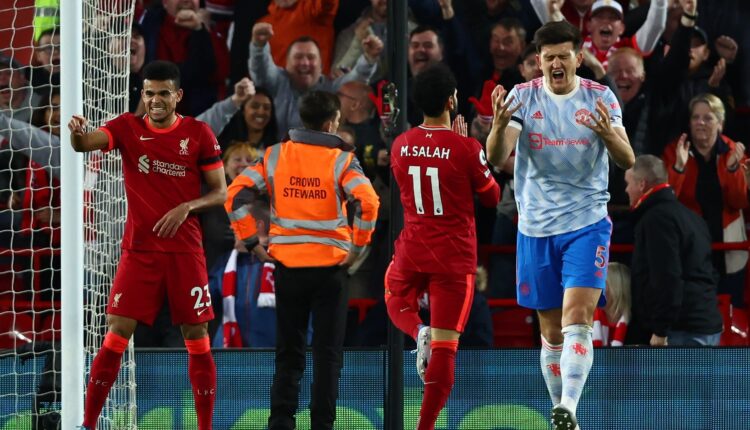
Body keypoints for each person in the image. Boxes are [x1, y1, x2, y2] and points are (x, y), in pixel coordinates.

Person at [486, 20, 634, 430]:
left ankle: (569, 404)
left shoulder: (600, 97)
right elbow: (497, 157)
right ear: (538, 61)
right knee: (551, 332)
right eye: (548, 57)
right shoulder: (522, 97)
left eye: (563, 56)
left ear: (577, 58)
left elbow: (627, 159)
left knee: (577, 317)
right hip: (536, 227)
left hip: (587, 223)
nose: (556, 63)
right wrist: (497, 127)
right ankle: (561, 413)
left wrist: (608, 135)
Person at [68, 60, 227, 430]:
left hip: (185, 250)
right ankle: (88, 425)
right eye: (150, 93)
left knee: (197, 336)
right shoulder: (127, 127)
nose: (156, 100)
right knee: (116, 333)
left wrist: (187, 207)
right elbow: (85, 145)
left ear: (178, 95)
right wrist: (78, 135)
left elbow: (220, 192)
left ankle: (205, 427)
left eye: (164, 94)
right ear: (143, 94)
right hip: (139, 251)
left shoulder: (199, 134)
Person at [224, 90, 379, 430]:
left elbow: (235, 195)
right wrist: (357, 248)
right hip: (331, 271)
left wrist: (251, 241)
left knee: (288, 352)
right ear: (331, 122)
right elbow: (368, 202)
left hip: (288, 269)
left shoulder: (275, 155)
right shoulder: (342, 160)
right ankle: (322, 425)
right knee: (327, 356)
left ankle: (281, 422)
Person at [386, 62, 500, 430]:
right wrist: (471, 153)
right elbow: (492, 197)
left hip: (413, 247)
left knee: (394, 298)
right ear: (452, 101)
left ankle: (417, 330)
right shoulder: (466, 147)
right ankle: (425, 426)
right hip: (454, 257)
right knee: (445, 348)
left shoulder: (401, 145)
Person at [624, 155, 723, 346]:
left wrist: (660, 330)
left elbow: (666, 277)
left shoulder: (656, 220)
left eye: (628, 183)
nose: (626, 190)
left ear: (642, 184)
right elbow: (710, 272)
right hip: (705, 323)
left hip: (681, 330)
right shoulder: (693, 217)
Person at [662, 93, 748, 308]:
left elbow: (739, 202)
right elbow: (666, 202)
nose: (700, 122)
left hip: (728, 246)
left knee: (731, 308)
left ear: (720, 124)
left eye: (708, 118)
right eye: (695, 117)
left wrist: (733, 170)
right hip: (689, 246)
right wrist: (678, 167)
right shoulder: (674, 151)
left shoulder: (733, 151)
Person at [249, 21, 382, 139]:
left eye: (311, 57)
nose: (305, 63)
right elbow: (261, 69)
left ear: (321, 66)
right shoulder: (278, 82)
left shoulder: (331, 89)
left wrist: (369, 59)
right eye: (298, 57)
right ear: (286, 64)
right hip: (279, 156)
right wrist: (259, 46)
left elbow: (355, 80)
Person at [592, 262, 630, 346]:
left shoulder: (638, 325)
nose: (595, 289)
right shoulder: (587, 321)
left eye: (600, 284)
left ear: (616, 288)